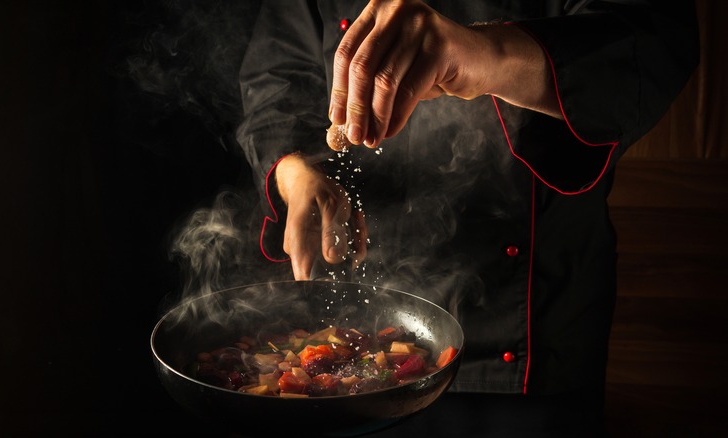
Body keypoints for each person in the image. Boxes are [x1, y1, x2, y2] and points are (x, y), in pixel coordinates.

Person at [235, 0, 699, 436]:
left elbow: (651, 39)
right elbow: (276, 73)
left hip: (532, 340)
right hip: (357, 326)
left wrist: (484, 51)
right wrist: (295, 174)